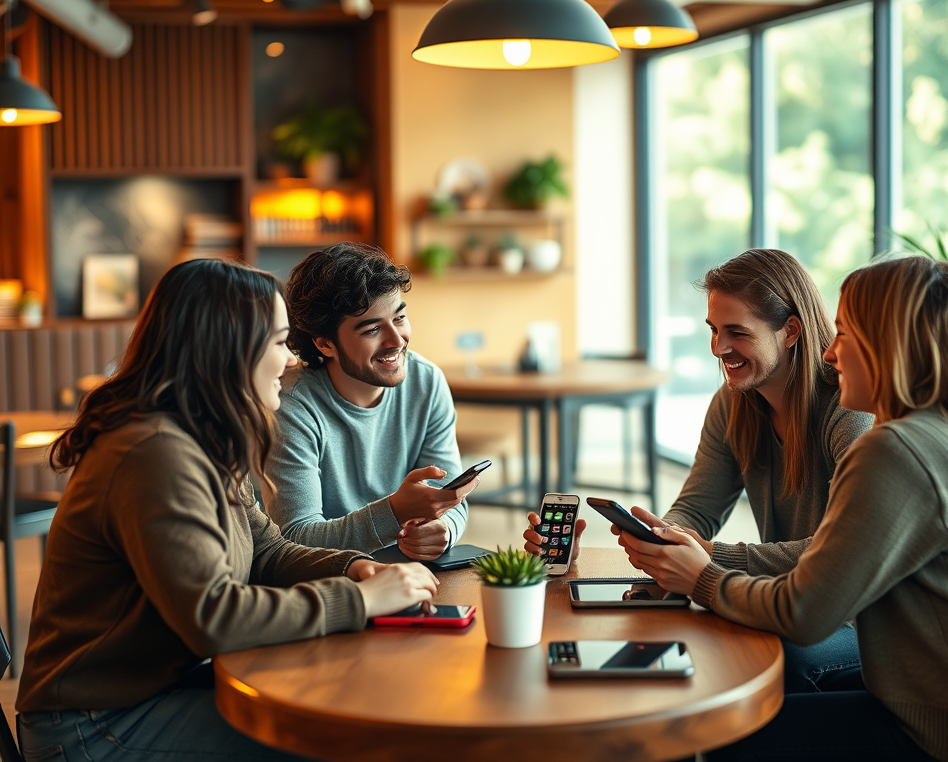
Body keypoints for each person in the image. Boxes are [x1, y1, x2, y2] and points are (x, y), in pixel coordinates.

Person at [16, 260, 438, 762]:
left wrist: (350, 568)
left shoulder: (202, 436)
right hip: (94, 724)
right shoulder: (153, 452)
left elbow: (266, 550)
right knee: (339, 742)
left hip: (154, 688)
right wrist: (361, 601)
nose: (289, 361)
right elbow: (212, 618)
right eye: (280, 342)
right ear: (230, 348)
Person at [619, 255, 948, 762]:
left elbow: (804, 613)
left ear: (890, 346)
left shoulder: (894, 449)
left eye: (844, 334)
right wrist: (672, 544)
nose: (830, 353)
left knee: (721, 732)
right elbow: (701, 508)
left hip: (935, 730)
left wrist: (703, 573)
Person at [524, 248, 874, 691]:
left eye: (736, 332)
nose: (718, 348)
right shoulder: (733, 405)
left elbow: (836, 555)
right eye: (713, 330)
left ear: (790, 331)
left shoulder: (849, 411)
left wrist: (705, 557)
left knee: (746, 655)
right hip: (784, 601)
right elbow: (696, 507)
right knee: (673, 633)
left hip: (855, 622)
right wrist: (662, 538)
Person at [263, 243, 474, 561]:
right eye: (373, 329)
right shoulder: (291, 407)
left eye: (399, 317)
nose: (396, 340)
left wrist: (443, 530)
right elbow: (295, 539)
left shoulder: (426, 382)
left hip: (410, 573)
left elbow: (448, 499)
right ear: (325, 344)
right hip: (331, 583)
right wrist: (393, 513)